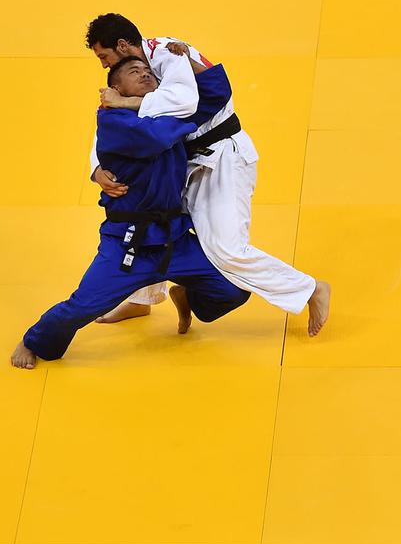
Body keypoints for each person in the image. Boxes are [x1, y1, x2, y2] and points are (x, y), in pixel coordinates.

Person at [84, 13, 330, 336]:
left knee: (226, 249)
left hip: (223, 156)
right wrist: (97, 169)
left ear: (122, 45)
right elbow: (110, 122)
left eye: (104, 56)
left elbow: (184, 102)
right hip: (184, 162)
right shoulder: (128, 73)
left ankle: (309, 289)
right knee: (148, 216)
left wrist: (128, 101)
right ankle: (142, 299)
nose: (104, 65)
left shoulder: (170, 53)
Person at [10, 58, 249, 369]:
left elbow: (217, 94)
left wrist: (186, 58)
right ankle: (33, 340)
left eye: (149, 72)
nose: (145, 74)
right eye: (134, 72)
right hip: (127, 246)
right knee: (83, 307)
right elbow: (156, 136)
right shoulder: (113, 122)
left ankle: (189, 296)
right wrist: (170, 106)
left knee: (235, 289)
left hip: (173, 239)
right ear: (114, 88)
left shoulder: (157, 111)